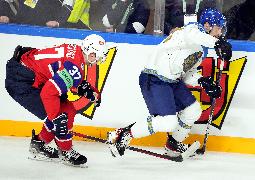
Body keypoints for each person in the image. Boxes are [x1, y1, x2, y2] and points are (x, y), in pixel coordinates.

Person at [107, 8, 232, 158]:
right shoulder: (191, 30)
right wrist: (217, 44)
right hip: (154, 78)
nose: (220, 33)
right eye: (219, 28)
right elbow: (194, 35)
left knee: (193, 110)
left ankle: (173, 145)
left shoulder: (201, 49)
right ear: (207, 25)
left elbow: (187, 72)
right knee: (168, 122)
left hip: (172, 81)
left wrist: (203, 81)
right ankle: (121, 135)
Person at [5, 34, 108, 166]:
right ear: (92, 55)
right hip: (22, 81)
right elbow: (48, 93)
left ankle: (39, 144)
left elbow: (65, 74)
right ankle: (65, 150)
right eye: (98, 58)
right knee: (62, 114)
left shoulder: (76, 51)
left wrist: (86, 89)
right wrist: (56, 118)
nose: (98, 61)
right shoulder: (75, 67)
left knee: (67, 109)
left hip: (25, 70)